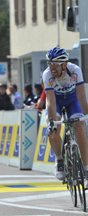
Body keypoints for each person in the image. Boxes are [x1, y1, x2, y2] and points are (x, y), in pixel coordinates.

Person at [44, 47, 88, 186]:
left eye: (56, 64)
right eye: (50, 63)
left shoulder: (75, 70)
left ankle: (86, 171)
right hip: (56, 101)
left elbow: (81, 97)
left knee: (80, 131)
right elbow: (50, 101)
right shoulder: (47, 74)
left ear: (64, 64)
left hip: (73, 100)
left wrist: (86, 116)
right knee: (53, 130)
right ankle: (60, 161)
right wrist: (52, 122)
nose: (52, 67)